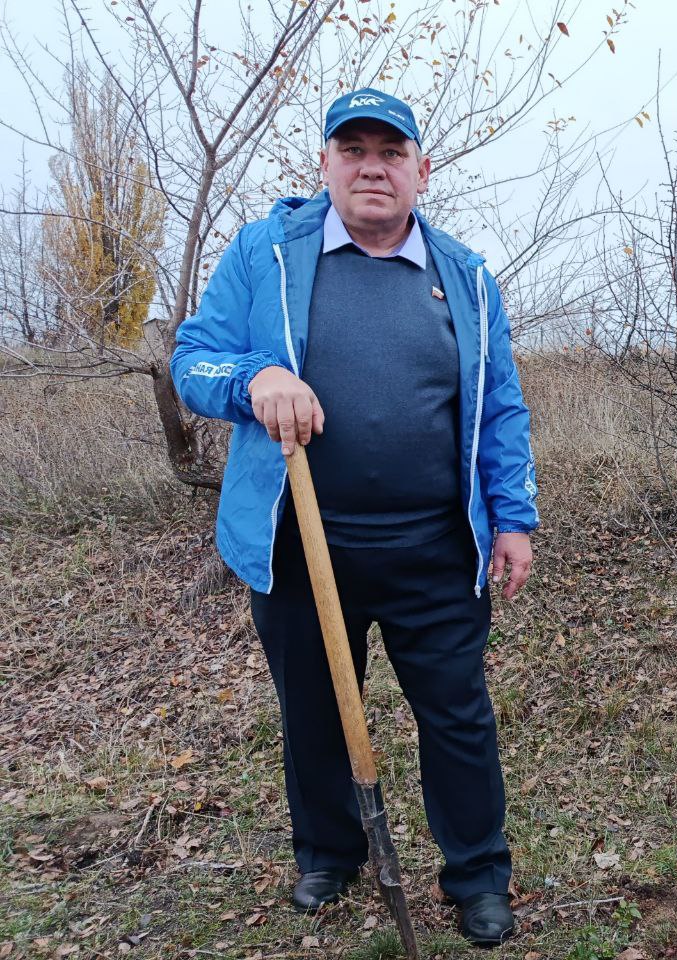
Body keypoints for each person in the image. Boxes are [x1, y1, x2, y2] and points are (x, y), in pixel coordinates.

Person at [170, 87, 538, 947]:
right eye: (354, 149)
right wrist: (254, 379)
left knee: (457, 713)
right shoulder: (268, 252)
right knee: (316, 707)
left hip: (436, 549)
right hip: (300, 542)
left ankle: (477, 873)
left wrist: (512, 520)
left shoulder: (467, 276)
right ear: (325, 164)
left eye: (391, 151)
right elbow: (195, 357)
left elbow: (500, 409)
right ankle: (328, 854)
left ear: (422, 168)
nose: (373, 166)